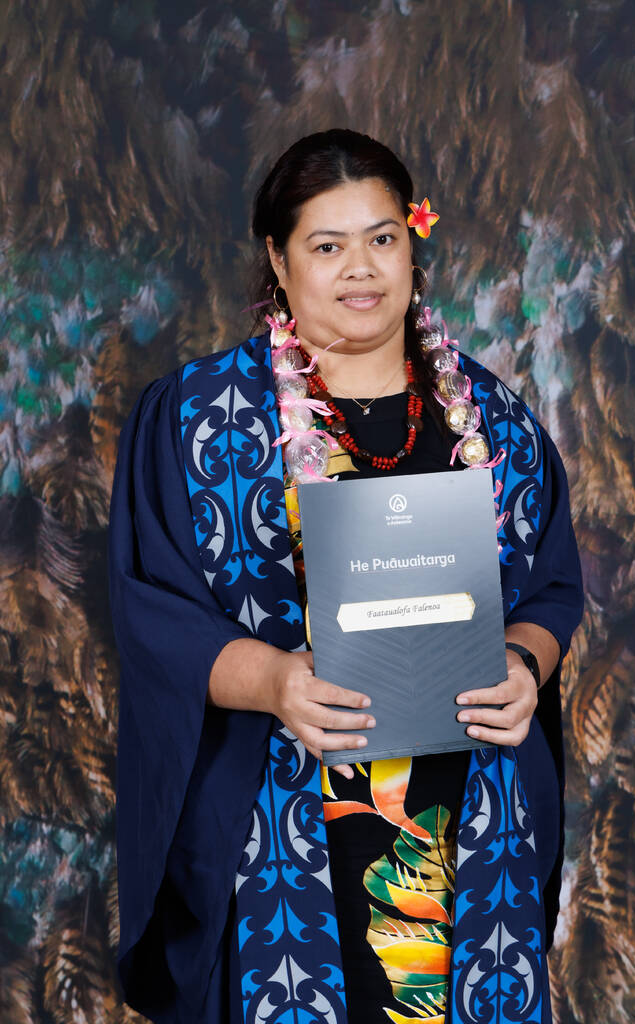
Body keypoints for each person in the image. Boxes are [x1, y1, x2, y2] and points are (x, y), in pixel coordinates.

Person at [109, 129, 583, 1024]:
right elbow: (150, 611)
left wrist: (525, 663)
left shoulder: (495, 419)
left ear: (412, 245)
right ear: (277, 262)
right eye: (326, 246)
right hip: (278, 838)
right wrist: (274, 679)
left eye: (381, 238)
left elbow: (550, 586)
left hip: (467, 833)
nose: (359, 270)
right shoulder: (193, 421)